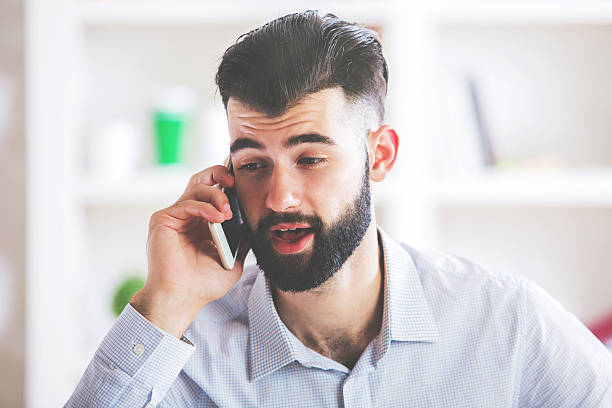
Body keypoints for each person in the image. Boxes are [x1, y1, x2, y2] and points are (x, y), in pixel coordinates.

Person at [66, 11, 612, 407]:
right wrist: (163, 304)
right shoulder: (185, 354)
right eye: (254, 164)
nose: (279, 198)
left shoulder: (505, 323)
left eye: (310, 158)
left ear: (380, 155)